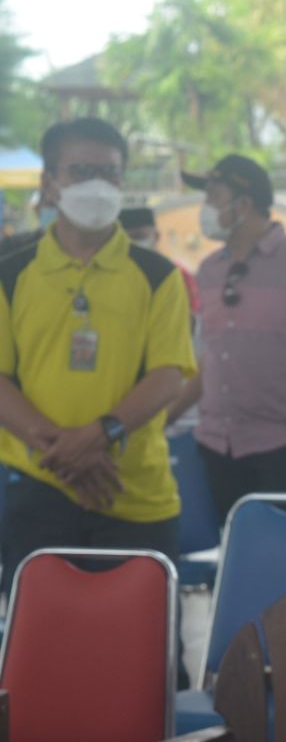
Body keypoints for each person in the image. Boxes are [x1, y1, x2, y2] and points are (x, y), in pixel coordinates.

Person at [0, 117, 195, 597]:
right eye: (81, 170)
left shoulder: (158, 276)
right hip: (39, 490)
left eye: (109, 173)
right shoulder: (12, 275)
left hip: (134, 496)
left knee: (143, 656)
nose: (97, 184)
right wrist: (67, 454)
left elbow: (169, 374)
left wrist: (98, 435)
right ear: (49, 184)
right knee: (40, 654)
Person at [178, 154, 286, 520]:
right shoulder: (208, 272)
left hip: (284, 446)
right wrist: (159, 420)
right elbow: (211, 356)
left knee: (285, 567)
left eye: (213, 196)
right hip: (216, 447)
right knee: (233, 554)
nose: (205, 208)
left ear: (244, 203)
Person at [120, 206, 201, 322]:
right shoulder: (111, 275)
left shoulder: (177, 272)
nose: (133, 245)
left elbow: (193, 315)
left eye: (139, 237)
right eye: (126, 239)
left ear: (156, 236)